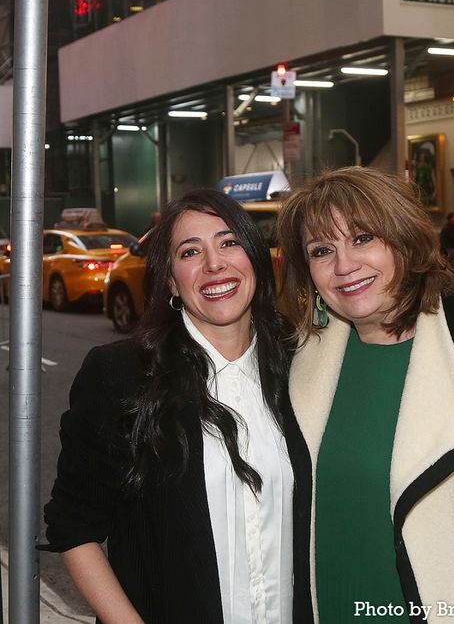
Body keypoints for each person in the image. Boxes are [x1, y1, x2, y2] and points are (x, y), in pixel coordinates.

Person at [277, 166, 454, 624]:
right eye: (322, 250)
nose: (344, 265)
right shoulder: (300, 360)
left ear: (405, 243)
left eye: (363, 238)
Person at [43, 188, 313, 624]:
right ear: (170, 280)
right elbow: (74, 529)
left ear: (255, 258)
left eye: (229, 242)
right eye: (190, 252)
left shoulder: (300, 365)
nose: (214, 264)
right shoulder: (121, 375)